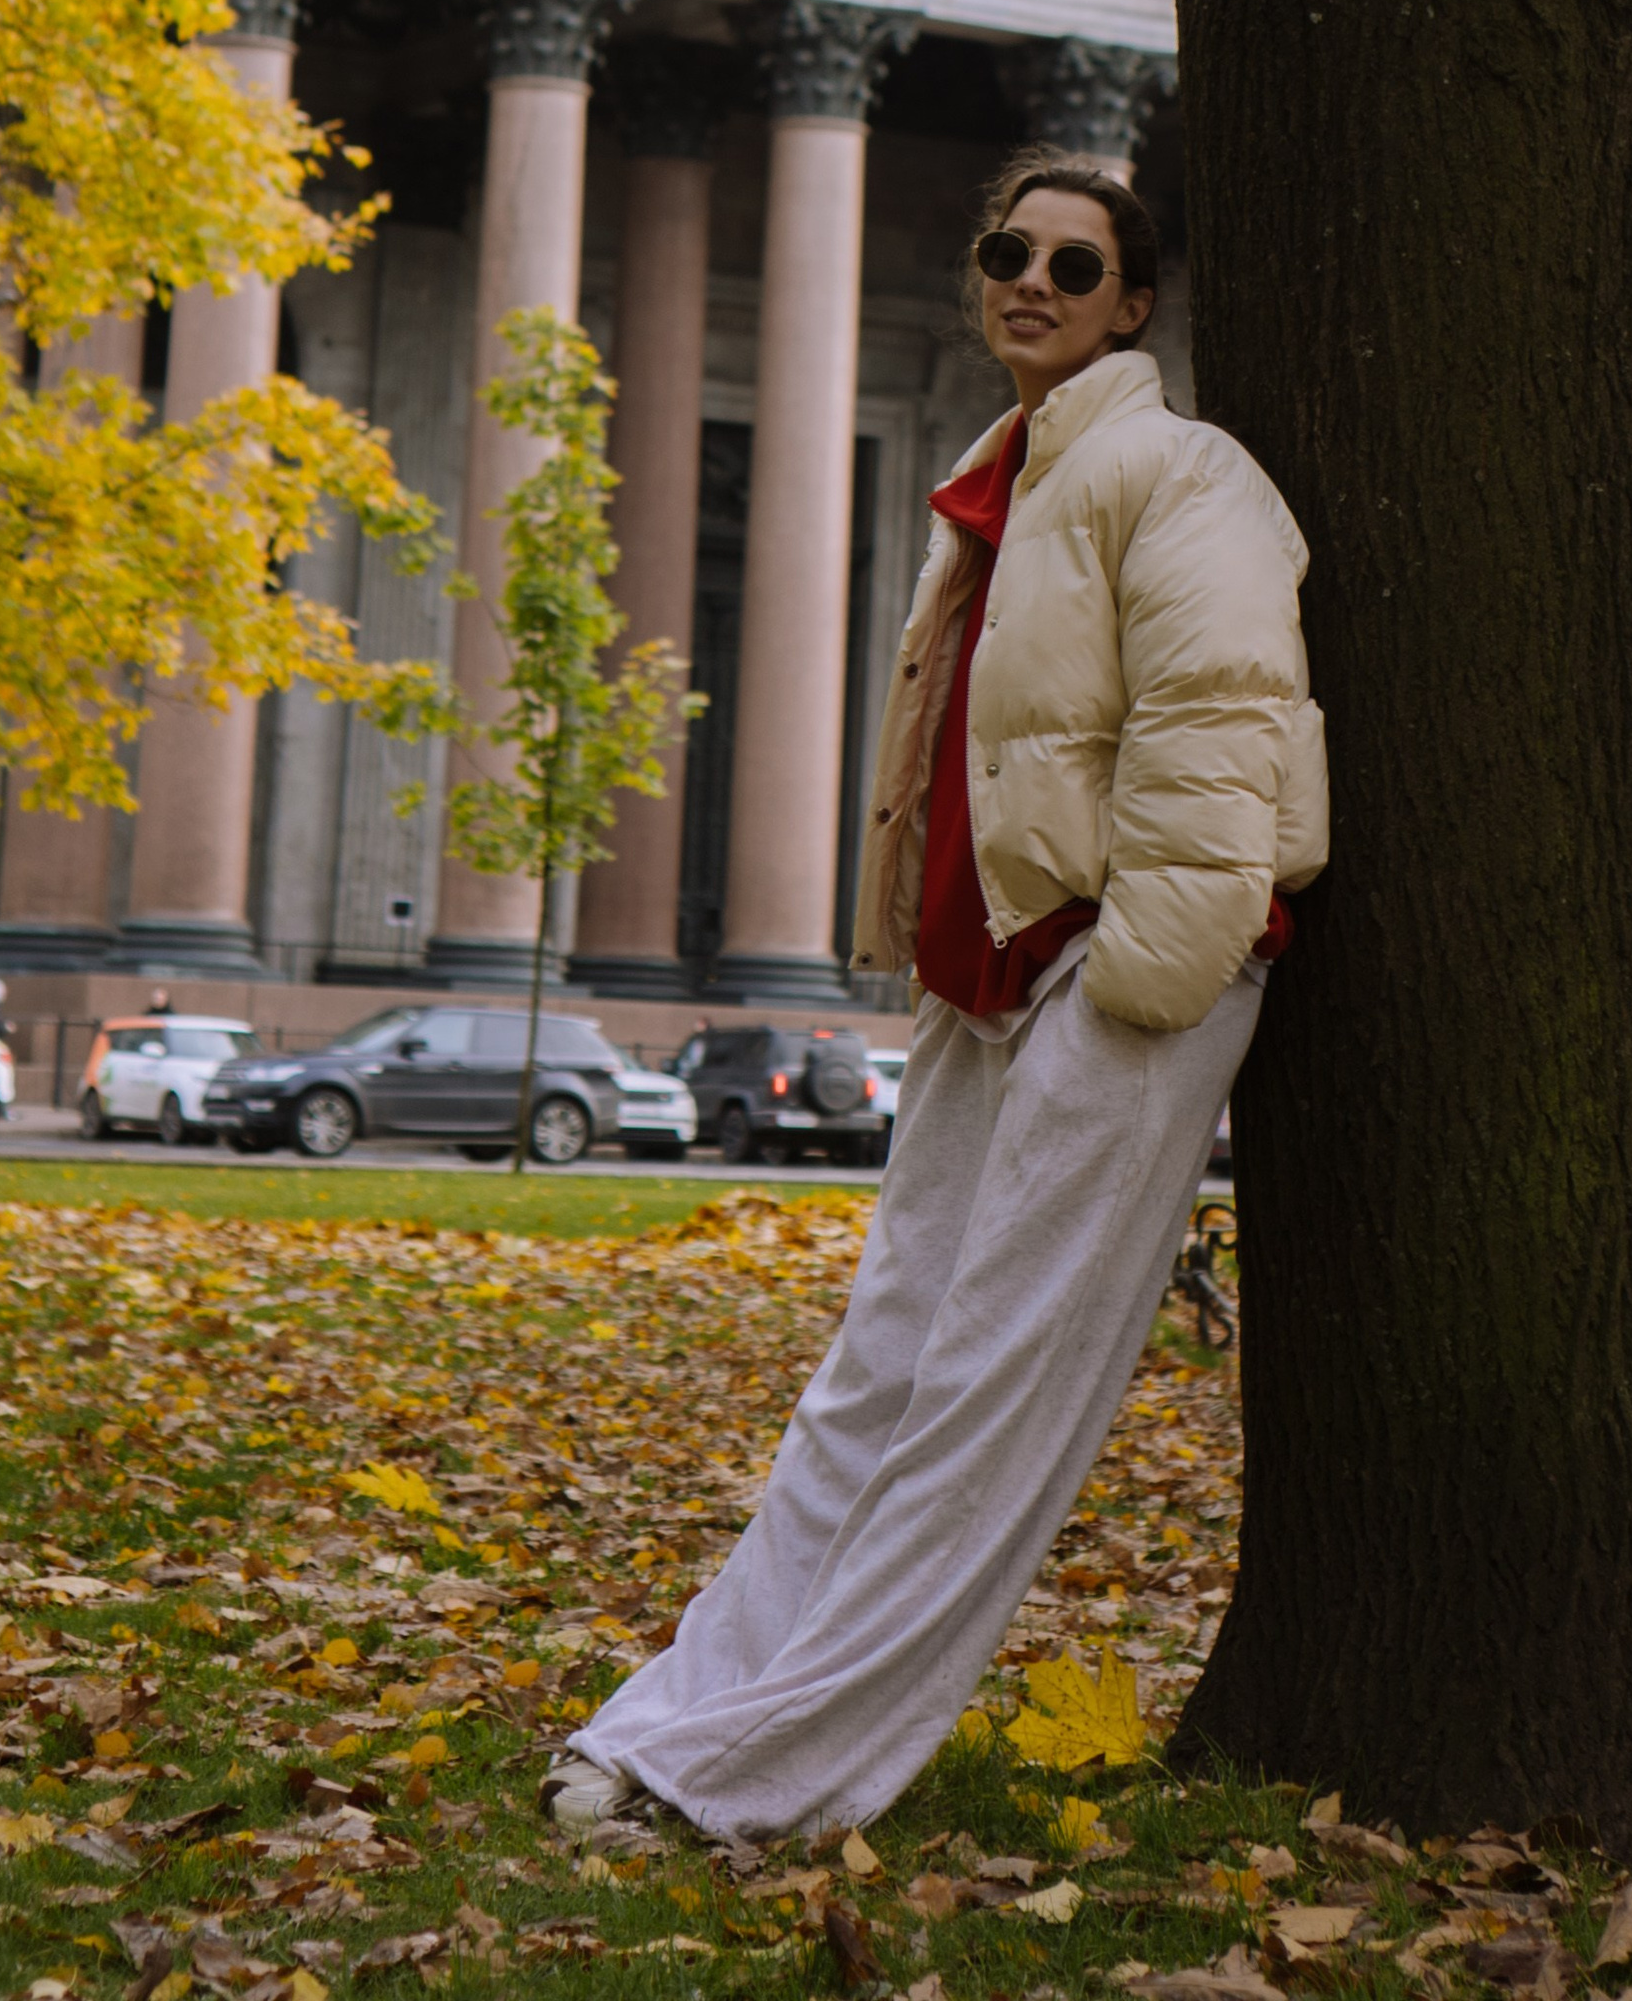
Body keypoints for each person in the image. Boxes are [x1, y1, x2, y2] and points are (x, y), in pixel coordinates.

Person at [545, 156, 1326, 1843]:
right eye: (1005, 251)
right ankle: (679, 1718)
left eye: (1074, 260)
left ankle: (757, 1780)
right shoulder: (1000, 485)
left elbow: (1221, 735)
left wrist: (1136, 984)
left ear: (1133, 303)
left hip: (1117, 988)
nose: (1029, 279)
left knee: (980, 1402)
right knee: (879, 1376)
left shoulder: (1177, 472)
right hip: (991, 982)